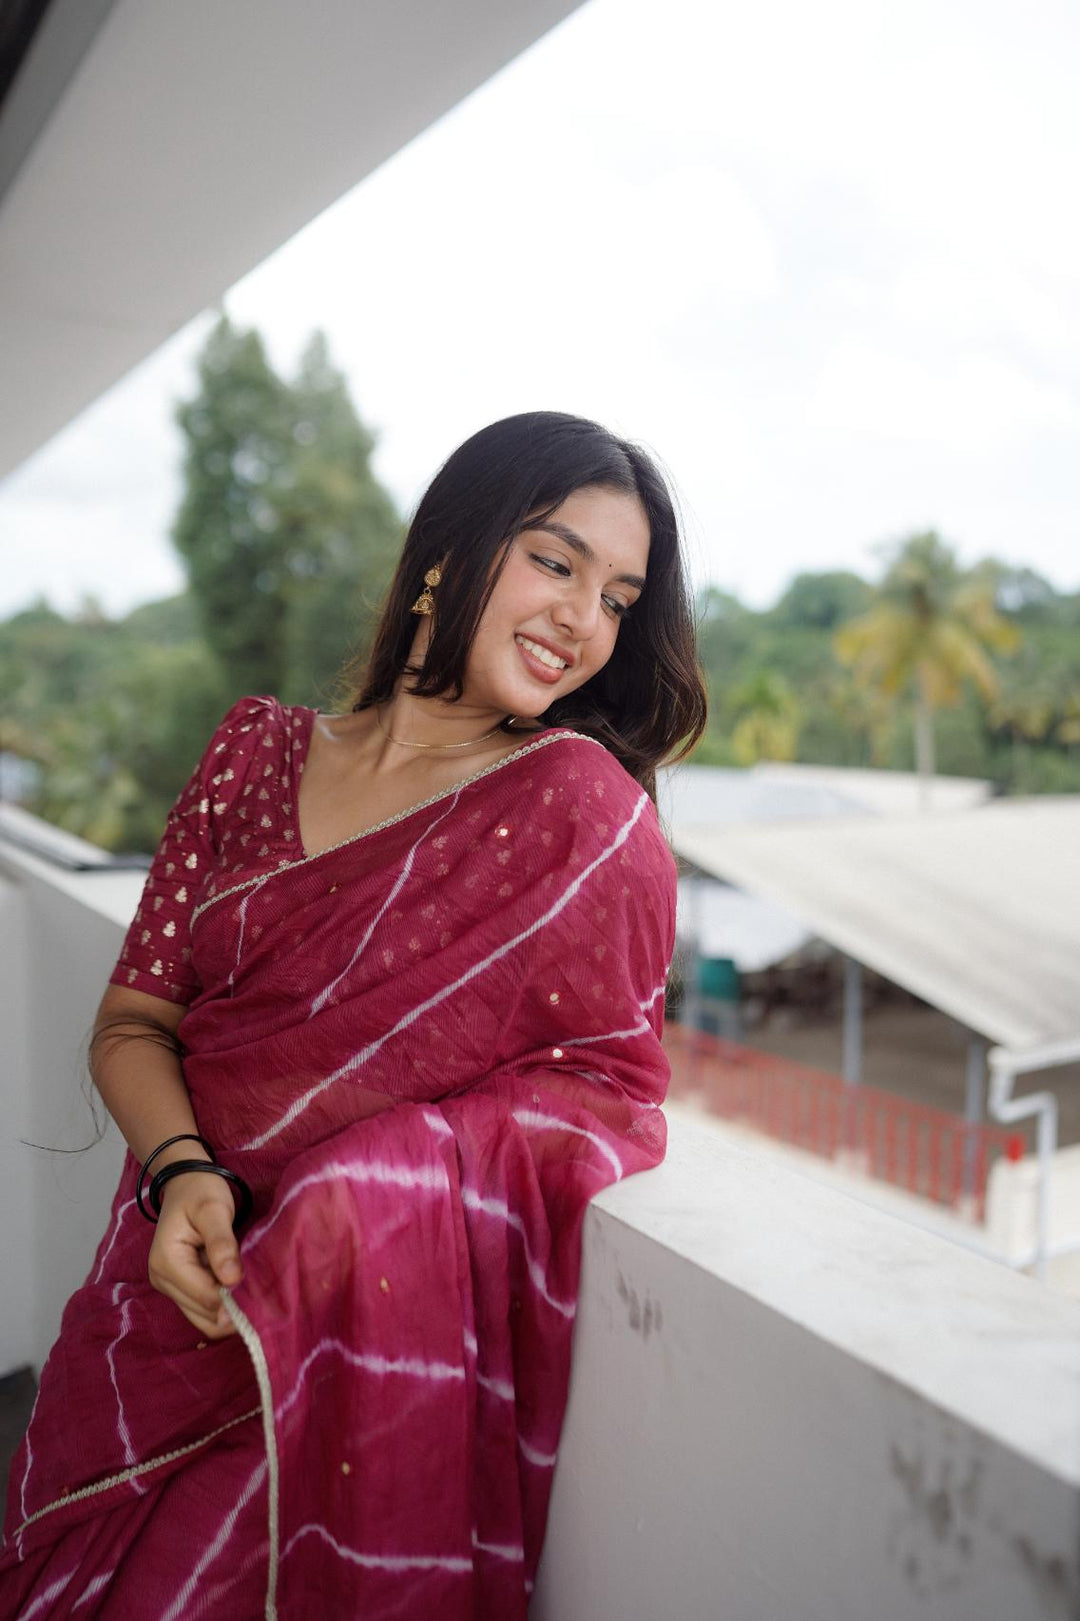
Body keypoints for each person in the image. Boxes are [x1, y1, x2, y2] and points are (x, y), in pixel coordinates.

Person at [0, 410, 706, 1619]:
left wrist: (361, 1197)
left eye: (621, 596)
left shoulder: (577, 816)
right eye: (555, 560)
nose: (586, 620)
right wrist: (186, 1174)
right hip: (164, 1286)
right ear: (448, 551)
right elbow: (134, 1021)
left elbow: (606, 1098)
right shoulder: (253, 753)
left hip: (337, 1341)